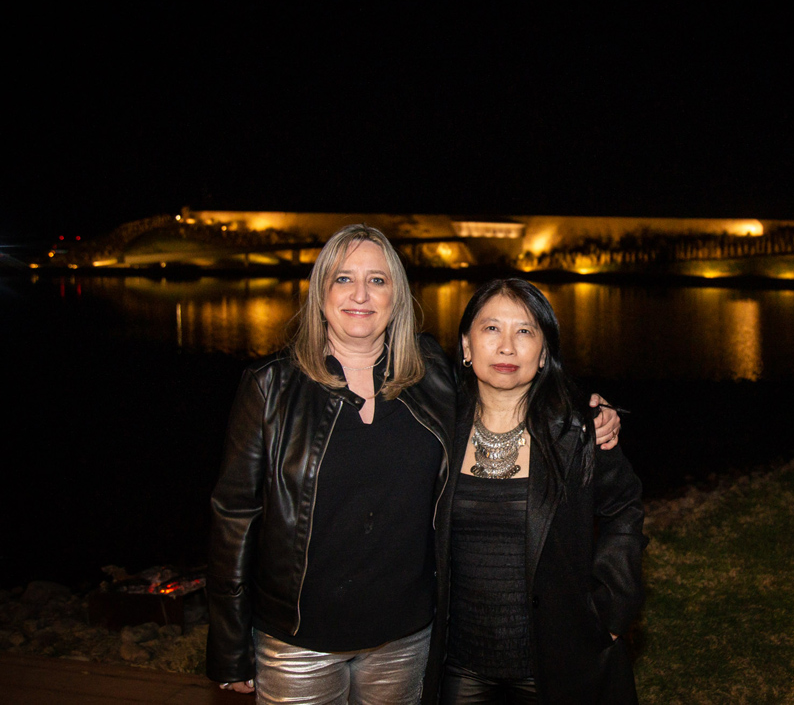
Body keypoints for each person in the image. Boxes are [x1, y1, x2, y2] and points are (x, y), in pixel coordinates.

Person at [205, 225, 620, 704]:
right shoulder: (270, 388)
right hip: (298, 644)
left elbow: (505, 392)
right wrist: (230, 643)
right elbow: (234, 518)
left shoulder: (430, 375)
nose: (361, 294)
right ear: (320, 292)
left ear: (397, 296)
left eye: (377, 280)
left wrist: (586, 414)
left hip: (404, 643)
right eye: (343, 278)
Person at [424, 278, 646, 704]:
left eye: (524, 331)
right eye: (491, 328)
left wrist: (613, 610)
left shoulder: (578, 432)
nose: (507, 347)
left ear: (544, 354)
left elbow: (624, 510)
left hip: (558, 663)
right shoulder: (436, 429)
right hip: (460, 665)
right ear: (466, 346)